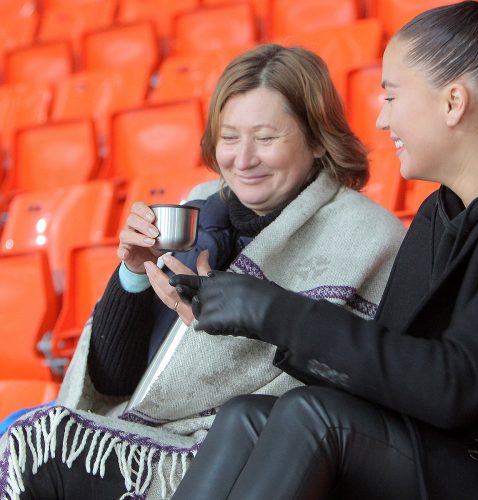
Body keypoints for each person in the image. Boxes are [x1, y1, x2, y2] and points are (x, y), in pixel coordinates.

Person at [0, 45, 405, 498]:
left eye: (266, 138)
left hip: (248, 458)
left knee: (33, 445)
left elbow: (361, 392)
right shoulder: (199, 211)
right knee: (18, 431)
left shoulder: (367, 237)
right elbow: (116, 383)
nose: (243, 159)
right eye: (229, 137)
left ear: (316, 139)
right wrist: (133, 273)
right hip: (156, 440)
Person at [168, 2, 478, 499]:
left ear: (453, 102)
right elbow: (390, 368)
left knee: (313, 415)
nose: (383, 120)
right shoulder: (437, 216)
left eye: (391, 97)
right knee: (246, 413)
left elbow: (455, 386)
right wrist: (251, 313)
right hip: (426, 444)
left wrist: (274, 310)